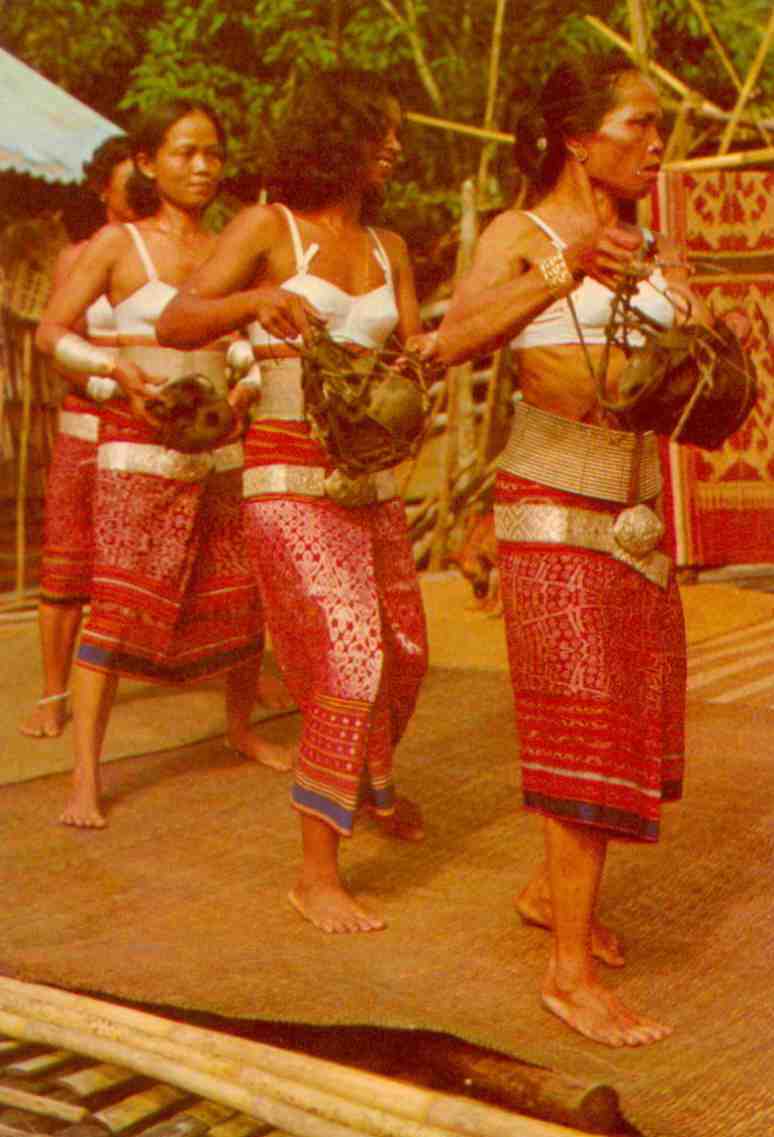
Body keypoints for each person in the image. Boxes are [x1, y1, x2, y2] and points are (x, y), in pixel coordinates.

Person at [434, 54, 717, 1047]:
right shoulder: (523, 231)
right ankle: (565, 978)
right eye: (637, 126)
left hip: (637, 513)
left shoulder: (652, 241)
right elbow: (450, 342)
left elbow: (678, 373)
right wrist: (562, 267)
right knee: (583, 729)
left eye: (660, 130)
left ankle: (547, 894)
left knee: (628, 727)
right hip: (552, 503)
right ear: (576, 138)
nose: (655, 145)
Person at [158, 69, 429, 934]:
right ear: (334, 135)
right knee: (351, 653)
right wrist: (254, 299)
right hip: (284, 476)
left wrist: (422, 369)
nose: (394, 145)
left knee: (406, 651)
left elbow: (416, 348)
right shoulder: (267, 228)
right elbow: (175, 321)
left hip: (371, 479)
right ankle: (317, 871)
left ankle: (366, 777)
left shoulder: (391, 246)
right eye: (378, 130)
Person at [36, 99, 292, 829]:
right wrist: (114, 373)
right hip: (137, 444)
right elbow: (51, 332)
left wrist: (243, 381)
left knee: (241, 592)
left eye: (213, 152)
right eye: (185, 152)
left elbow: (245, 336)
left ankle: (241, 727)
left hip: (220, 442)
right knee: (113, 610)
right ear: (148, 161)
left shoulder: (229, 246)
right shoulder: (118, 245)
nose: (204, 166)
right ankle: (85, 774)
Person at [20, 136, 136, 739]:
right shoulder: (81, 257)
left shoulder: (172, 253)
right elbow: (59, 345)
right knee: (67, 562)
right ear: (102, 189)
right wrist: (108, 387)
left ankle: (233, 687)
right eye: (128, 178)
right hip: (90, 425)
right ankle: (53, 691)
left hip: (155, 432)